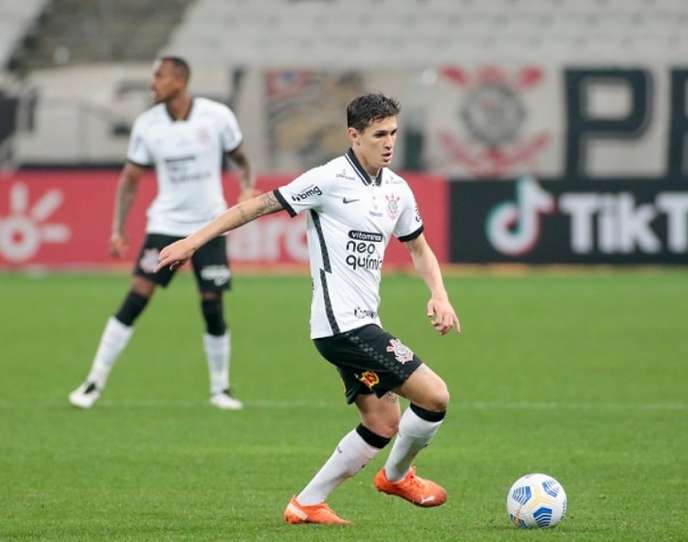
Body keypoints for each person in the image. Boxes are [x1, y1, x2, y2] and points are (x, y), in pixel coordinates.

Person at [156, 93, 461, 525]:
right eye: (378, 135)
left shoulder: (397, 189)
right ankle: (396, 476)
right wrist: (192, 241)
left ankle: (307, 504)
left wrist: (439, 294)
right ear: (354, 136)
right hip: (343, 328)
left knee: (381, 422)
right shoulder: (328, 180)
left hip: (360, 323)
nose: (389, 143)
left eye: (393, 132)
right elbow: (255, 206)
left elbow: (419, 249)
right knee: (435, 396)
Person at [68, 56, 255, 410]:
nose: (153, 83)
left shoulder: (217, 116)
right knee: (138, 294)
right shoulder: (147, 124)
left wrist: (247, 187)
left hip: (209, 226)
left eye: (159, 76)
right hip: (165, 227)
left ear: (180, 80)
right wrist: (117, 228)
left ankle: (221, 388)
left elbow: (242, 160)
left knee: (212, 303)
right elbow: (130, 180)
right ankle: (94, 381)